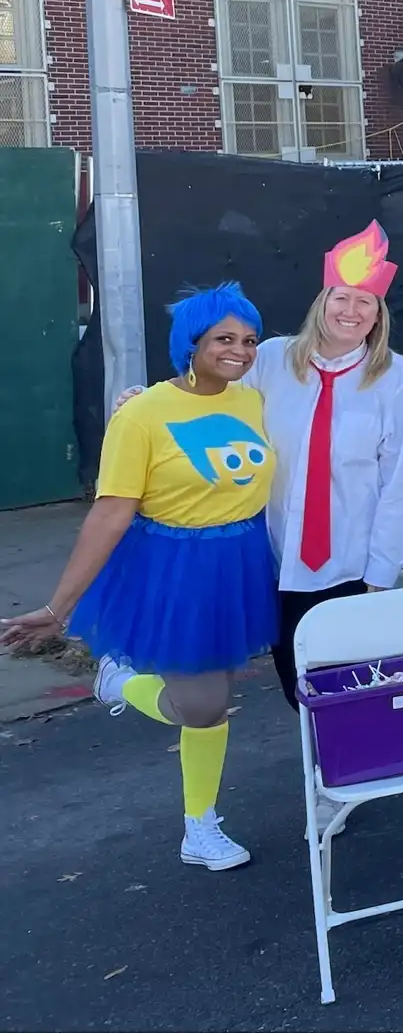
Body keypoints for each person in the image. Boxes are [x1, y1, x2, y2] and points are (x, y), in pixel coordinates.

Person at [3, 284, 276, 871]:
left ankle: (199, 826)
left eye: (249, 340)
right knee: (201, 705)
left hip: (240, 563)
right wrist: (58, 609)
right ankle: (118, 683)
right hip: (173, 569)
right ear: (191, 343)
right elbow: (109, 514)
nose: (240, 351)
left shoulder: (250, 401)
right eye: (224, 339)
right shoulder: (144, 414)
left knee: (220, 697)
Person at [256, 224, 403, 717]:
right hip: (280, 556)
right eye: (342, 299)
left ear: (378, 315)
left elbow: (402, 479)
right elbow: (211, 401)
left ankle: (351, 776)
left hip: (351, 561)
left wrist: (383, 567)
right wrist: (154, 400)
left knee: (350, 684)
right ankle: (324, 778)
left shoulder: (393, 376)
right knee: (296, 684)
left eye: (365, 303)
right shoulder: (270, 359)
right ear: (321, 302)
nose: (351, 312)